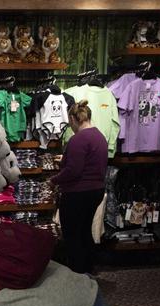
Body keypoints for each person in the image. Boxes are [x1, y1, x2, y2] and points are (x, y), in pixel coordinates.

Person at [51, 100, 109, 275]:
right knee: (84, 231)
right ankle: (88, 270)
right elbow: (89, 162)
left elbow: (73, 171)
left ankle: (77, 273)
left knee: (72, 235)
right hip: (95, 190)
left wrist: (54, 180)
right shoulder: (99, 136)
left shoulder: (78, 139)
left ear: (73, 119)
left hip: (78, 193)